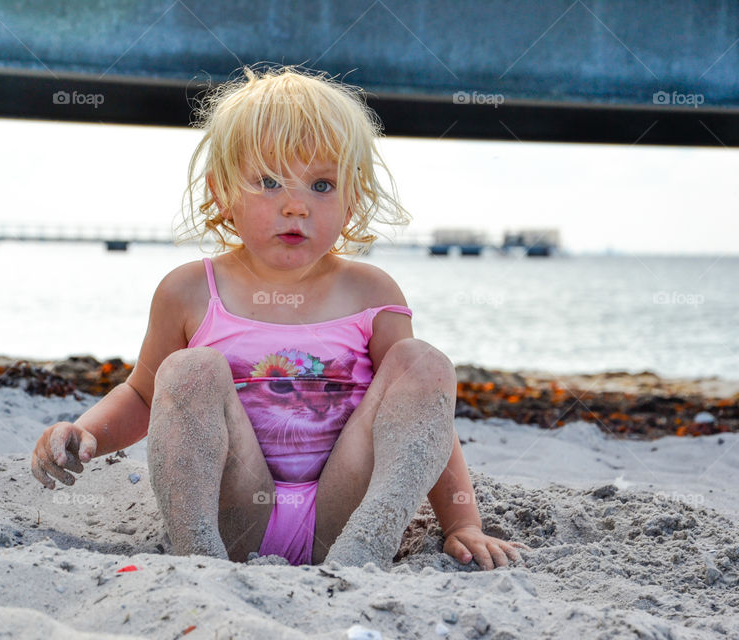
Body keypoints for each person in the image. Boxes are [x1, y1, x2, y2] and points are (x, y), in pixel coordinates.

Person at [31, 64, 529, 570]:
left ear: (352, 198)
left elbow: (422, 418)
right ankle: (197, 559)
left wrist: (463, 523)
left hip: (345, 512)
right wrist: (88, 431)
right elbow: (142, 395)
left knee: (423, 364)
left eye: (321, 185)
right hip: (236, 513)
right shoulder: (189, 291)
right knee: (187, 369)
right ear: (220, 192)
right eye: (269, 182)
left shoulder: (371, 292)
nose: (296, 206)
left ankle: (366, 553)